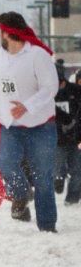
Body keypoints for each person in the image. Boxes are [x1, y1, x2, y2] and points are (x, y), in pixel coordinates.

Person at [0, 12, 59, 232]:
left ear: (8, 33)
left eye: (0, 31)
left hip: (41, 125)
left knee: (43, 175)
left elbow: (50, 87)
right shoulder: (2, 54)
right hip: (11, 125)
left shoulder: (37, 55)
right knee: (5, 163)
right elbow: (1, 85)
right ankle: (21, 195)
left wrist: (27, 105)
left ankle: (47, 225)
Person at [53, 63, 81, 205]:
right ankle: (59, 181)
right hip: (57, 140)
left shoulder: (76, 91)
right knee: (57, 170)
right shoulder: (47, 94)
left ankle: (73, 198)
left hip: (75, 138)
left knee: (77, 171)